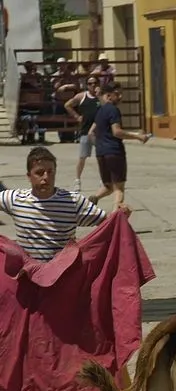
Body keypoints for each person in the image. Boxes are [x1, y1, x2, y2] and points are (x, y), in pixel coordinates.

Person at [0, 146, 129, 262]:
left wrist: (121, 215)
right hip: (28, 276)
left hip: (62, 277)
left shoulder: (72, 201)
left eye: (50, 172)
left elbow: (107, 222)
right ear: (29, 176)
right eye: (39, 172)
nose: (46, 177)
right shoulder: (15, 199)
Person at [87, 83, 150, 210]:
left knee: (108, 186)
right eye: (118, 94)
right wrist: (138, 136)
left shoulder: (99, 111)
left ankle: (93, 199)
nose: (120, 97)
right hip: (114, 152)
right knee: (119, 188)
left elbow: (90, 133)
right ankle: (115, 217)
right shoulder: (113, 110)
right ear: (109, 96)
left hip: (101, 153)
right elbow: (117, 132)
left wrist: (100, 145)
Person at [63, 75, 99, 192]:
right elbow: (67, 105)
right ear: (87, 85)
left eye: (95, 83)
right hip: (85, 131)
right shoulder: (82, 96)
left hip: (99, 132)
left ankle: (103, 179)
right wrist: (76, 116)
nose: (93, 85)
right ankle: (77, 180)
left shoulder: (101, 97)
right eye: (90, 83)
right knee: (82, 157)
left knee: (101, 156)